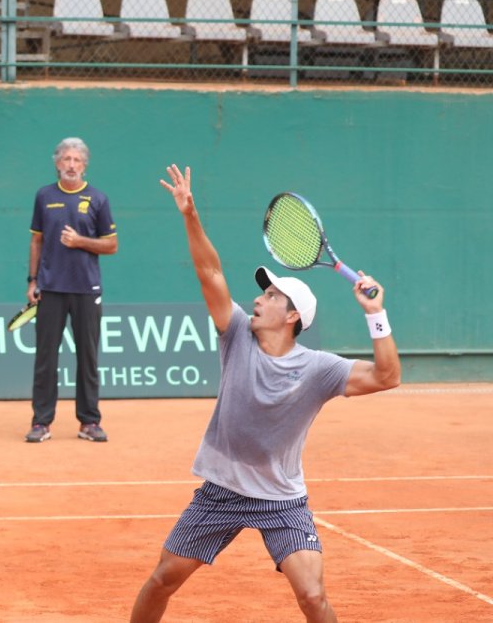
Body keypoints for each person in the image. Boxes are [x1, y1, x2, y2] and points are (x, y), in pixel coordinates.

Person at [130, 165, 401, 623]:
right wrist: (189, 215)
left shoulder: (318, 369)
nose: (258, 299)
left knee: (313, 597)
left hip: (281, 499)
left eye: (271, 295)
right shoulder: (236, 334)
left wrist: (376, 313)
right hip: (221, 490)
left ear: (292, 315)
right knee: (162, 580)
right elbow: (209, 271)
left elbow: (386, 376)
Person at [25, 137, 118, 443]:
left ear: (85, 165)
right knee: (45, 358)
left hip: (86, 290)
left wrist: (80, 241)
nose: (71, 165)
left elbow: (111, 245)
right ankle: (41, 422)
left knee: (88, 358)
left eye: (77, 160)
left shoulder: (98, 199)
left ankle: (89, 422)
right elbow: (36, 241)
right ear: (57, 163)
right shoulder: (44, 196)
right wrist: (32, 281)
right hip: (50, 289)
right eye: (66, 159)